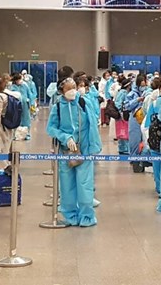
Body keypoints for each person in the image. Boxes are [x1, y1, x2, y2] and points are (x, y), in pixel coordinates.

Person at [47, 77, 101, 227]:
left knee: (85, 185)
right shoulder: (58, 106)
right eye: (68, 89)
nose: (72, 91)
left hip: (85, 150)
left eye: (74, 88)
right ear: (61, 91)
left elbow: (93, 125)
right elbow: (51, 128)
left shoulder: (84, 102)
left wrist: (93, 148)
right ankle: (70, 215)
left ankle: (87, 216)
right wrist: (65, 137)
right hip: (66, 152)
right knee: (67, 186)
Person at [125, 74, 148, 173]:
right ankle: (135, 161)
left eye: (144, 85)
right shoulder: (132, 94)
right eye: (141, 85)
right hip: (135, 119)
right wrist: (137, 100)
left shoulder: (148, 93)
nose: (143, 87)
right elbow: (127, 106)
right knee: (135, 140)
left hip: (145, 119)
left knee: (146, 141)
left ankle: (143, 161)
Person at [10, 73, 32, 140]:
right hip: (15, 105)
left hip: (25, 105)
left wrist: (31, 103)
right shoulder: (12, 87)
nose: (20, 80)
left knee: (26, 119)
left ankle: (26, 134)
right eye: (19, 79)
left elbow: (29, 94)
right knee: (16, 119)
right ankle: (16, 134)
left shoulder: (25, 85)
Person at [114, 77, 131, 155]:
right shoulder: (123, 93)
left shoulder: (121, 92)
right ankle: (125, 148)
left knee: (121, 131)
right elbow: (118, 104)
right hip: (123, 115)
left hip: (121, 115)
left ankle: (122, 147)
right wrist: (121, 112)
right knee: (124, 131)